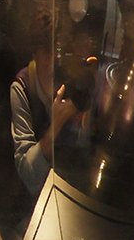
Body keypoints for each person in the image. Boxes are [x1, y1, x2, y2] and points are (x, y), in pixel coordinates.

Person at [10, 16, 89, 196]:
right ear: (34, 53)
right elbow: (27, 174)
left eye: (59, 51)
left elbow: (84, 151)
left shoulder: (71, 79)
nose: (54, 61)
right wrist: (55, 127)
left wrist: (85, 121)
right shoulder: (22, 88)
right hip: (40, 196)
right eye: (47, 52)